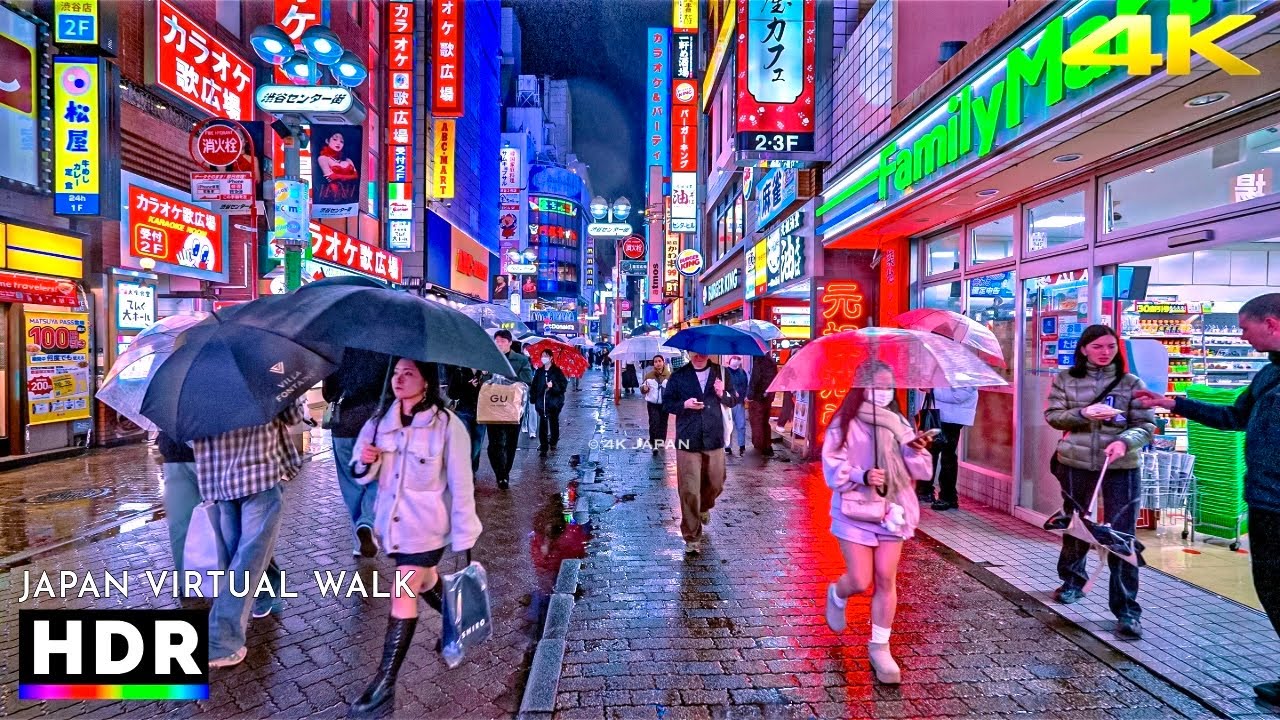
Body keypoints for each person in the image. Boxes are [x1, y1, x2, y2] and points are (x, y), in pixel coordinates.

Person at [1134, 293, 1280, 702]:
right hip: (1266, 501)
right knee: (1270, 586)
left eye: (1244, 328)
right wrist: (1173, 402)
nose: (1241, 335)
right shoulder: (1269, 374)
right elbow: (1234, 417)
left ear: (1271, 324)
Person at [350, 359, 481, 713]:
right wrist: (366, 459)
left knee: (403, 591)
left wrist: (465, 532)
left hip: (426, 530)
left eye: (409, 373)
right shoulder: (380, 423)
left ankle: (383, 688)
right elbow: (360, 474)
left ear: (426, 381)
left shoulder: (446, 426)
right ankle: (457, 620)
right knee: (425, 583)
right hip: (392, 528)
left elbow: (461, 483)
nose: (399, 379)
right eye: (395, 373)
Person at [821, 362, 932, 685]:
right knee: (859, 579)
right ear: (861, 387)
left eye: (888, 386)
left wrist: (915, 451)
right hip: (855, 510)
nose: (883, 392)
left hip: (892, 510)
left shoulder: (900, 423)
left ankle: (880, 646)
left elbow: (921, 472)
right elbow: (832, 469)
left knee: (885, 577)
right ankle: (837, 593)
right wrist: (862, 475)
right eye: (877, 385)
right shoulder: (844, 422)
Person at [1045, 324, 1155, 641]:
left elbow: (1145, 425)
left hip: (1120, 466)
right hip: (1075, 464)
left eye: (1110, 346)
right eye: (1098, 347)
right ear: (1083, 349)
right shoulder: (1066, 379)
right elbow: (1053, 416)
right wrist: (1083, 413)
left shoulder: (1131, 383)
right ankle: (1072, 581)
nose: (1105, 352)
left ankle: (1127, 611)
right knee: (1078, 525)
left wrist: (1125, 441)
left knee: (1122, 537)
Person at [193, 398, 310, 667]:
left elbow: (189, 438)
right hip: (256, 476)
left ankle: (224, 638)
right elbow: (293, 417)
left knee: (246, 555)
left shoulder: (195, 384)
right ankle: (263, 597)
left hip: (225, 480)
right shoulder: (260, 367)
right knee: (248, 557)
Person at [662, 351, 734, 555]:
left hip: (715, 437)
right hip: (688, 439)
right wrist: (684, 405)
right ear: (689, 352)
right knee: (689, 489)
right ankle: (692, 536)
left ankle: (705, 507)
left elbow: (735, 399)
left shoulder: (721, 373)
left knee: (716, 482)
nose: (699, 355)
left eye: (703, 352)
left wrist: (722, 394)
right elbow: (667, 403)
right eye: (695, 352)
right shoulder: (679, 376)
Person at [322, 348, 388, 558]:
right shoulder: (384, 351)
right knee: (378, 478)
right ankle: (366, 523)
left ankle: (359, 540)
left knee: (350, 483)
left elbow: (328, 393)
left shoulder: (337, 352)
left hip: (343, 425)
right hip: (374, 424)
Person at [915, 386, 978, 511]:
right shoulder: (946, 368)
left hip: (952, 419)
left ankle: (948, 497)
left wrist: (932, 390)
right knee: (930, 452)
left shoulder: (967, 372)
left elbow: (959, 396)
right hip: (938, 415)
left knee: (947, 457)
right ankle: (925, 490)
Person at [486, 329, 533, 490]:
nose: (499, 344)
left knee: (510, 442)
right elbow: (483, 380)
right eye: (497, 341)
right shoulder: (490, 359)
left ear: (509, 343)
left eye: (502, 341)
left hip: (513, 407)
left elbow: (528, 379)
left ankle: (505, 473)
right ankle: (500, 475)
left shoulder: (520, 360)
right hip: (492, 406)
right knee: (494, 444)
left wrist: (507, 380)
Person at [159, 431, 200, 577]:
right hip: (204, 452)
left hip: (174, 451)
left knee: (180, 526)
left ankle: (188, 582)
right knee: (213, 520)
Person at [447, 365, 487, 472]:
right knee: (465, 441)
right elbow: (452, 393)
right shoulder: (459, 371)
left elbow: (493, 391)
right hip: (464, 410)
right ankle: (466, 471)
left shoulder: (485, 372)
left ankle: (472, 470)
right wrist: (467, 385)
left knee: (477, 442)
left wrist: (485, 377)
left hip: (482, 411)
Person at [531, 349, 568, 457]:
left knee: (553, 421)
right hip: (541, 402)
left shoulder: (557, 371)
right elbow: (534, 386)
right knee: (542, 423)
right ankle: (543, 446)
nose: (543, 358)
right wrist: (533, 399)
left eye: (546, 356)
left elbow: (563, 386)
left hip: (554, 402)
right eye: (542, 356)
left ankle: (553, 441)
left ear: (551, 357)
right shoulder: (539, 371)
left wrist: (554, 385)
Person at [748, 353, 779, 457]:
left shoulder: (759, 360)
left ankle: (758, 448)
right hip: (768, 396)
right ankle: (767, 447)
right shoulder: (771, 361)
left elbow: (755, 379)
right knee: (765, 422)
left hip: (758, 397)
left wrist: (750, 395)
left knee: (756, 422)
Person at [316, 130, 359, 204]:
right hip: (330, 196)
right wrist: (349, 176)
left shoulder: (348, 160)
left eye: (342, 141)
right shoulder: (323, 158)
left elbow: (356, 176)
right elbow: (331, 177)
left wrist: (338, 176)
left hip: (350, 196)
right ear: (327, 140)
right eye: (335, 139)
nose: (338, 143)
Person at [641, 355, 672, 453]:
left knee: (663, 423)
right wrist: (644, 389)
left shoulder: (669, 375)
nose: (658, 363)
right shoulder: (649, 375)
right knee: (654, 422)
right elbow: (642, 388)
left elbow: (673, 390)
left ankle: (661, 442)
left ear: (663, 362)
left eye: (659, 361)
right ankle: (654, 443)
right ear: (653, 363)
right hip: (652, 403)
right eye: (655, 361)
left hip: (665, 403)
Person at [723, 356, 750, 456]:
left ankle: (742, 446)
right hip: (728, 403)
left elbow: (746, 385)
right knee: (728, 425)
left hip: (739, 403)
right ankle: (727, 446)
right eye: (734, 358)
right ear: (729, 361)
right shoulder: (724, 372)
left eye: (738, 359)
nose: (736, 360)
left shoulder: (743, 372)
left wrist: (745, 395)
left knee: (741, 425)